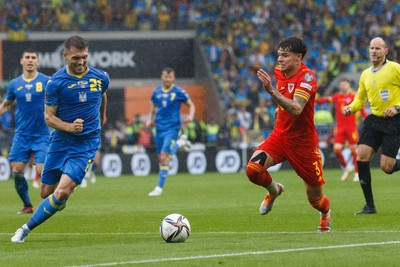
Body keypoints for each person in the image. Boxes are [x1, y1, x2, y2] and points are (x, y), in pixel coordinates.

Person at [11, 35, 109, 242]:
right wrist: (69, 127)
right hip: (61, 141)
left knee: (63, 190)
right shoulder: (55, 83)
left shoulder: (101, 77)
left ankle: (24, 230)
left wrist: (102, 116)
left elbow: (103, 93)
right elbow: (48, 117)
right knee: (45, 192)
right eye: (76, 58)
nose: (81, 62)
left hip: (86, 144)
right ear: (65, 56)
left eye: (84, 57)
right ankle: (58, 200)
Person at [246, 36, 331, 233]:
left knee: (316, 200)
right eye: (278, 55)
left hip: (303, 145)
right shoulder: (279, 72)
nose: (280, 60)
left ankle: (325, 214)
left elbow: (296, 109)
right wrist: (279, 106)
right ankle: (275, 190)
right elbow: (286, 96)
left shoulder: (307, 77)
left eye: (285, 55)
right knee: (252, 170)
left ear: (298, 57)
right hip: (280, 136)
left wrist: (271, 91)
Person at [343, 37, 400, 215]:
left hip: (394, 121)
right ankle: (370, 206)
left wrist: (397, 107)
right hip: (374, 120)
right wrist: (350, 108)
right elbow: (360, 98)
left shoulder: (395, 68)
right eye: (371, 48)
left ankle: (370, 204)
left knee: (387, 167)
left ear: (385, 51)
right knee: (362, 157)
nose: (374, 51)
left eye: (377, 48)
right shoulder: (365, 74)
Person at [0, 48, 50, 214]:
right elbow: (7, 104)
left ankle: (61, 192)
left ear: (38, 62)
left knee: (41, 171)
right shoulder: (15, 84)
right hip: (21, 135)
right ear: (21, 61)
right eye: (27, 57)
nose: (30, 60)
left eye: (33, 58)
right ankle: (27, 205)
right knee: (17, 171)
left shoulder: (46, 81)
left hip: (42, 134)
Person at [146, 67, 195, 197]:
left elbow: (192, 105)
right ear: (162, 77)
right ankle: (181, 142)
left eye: (170, 77)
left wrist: (190, 116)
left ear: (173, 78)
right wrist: (149, 119)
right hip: (159, 128)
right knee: (162, 158)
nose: (168, 79)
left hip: (172, 128)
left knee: (164, 155)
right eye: (165, 77)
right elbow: (153, 107)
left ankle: (159, 188)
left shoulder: (179, 92)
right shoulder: (156, 91)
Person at [316, 78, 368, 182]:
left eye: (345, 84)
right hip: (340, 128)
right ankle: (347, 168)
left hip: (351, 128)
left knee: (354, 151)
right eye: (341, 85)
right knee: (336, 150)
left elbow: (361, 109)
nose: (343, 86)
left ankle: (357, 173)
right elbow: (325, 100)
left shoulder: (353, 97)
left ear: (348, 85)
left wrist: (368, 119)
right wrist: (313, 98)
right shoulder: (337, 96)